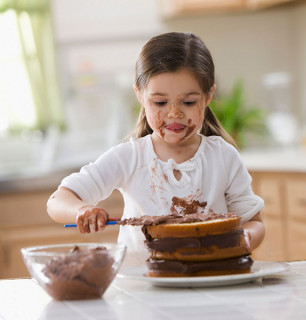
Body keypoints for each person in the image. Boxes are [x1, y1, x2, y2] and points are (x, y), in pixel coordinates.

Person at [47, 32, 265, 258]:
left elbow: (254, 222)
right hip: (144, 285)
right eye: (160, 102)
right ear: (140, 95)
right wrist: (81, 210)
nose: (175, 113)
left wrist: (246, 237)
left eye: (189, 102)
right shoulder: (130, 158)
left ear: (208, 96)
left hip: (211, 278)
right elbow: (58, 200)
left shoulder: (223, 157)